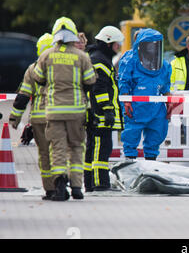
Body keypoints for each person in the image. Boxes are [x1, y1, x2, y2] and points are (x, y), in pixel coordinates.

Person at [31, 16, 97, 201]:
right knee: (76, 147)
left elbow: (37, 78)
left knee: (57, 148)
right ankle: (76, 187)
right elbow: (91, 81)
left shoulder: (46, 55)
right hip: (76, 111)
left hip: (53, 110)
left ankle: (60, 186)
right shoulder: (81, 56)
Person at [9, 33, 54, 200]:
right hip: (59, 118)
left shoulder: (33, 68)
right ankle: (62, 184)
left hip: (39, 119)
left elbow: (23, 97)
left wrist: (15, 119)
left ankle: (50, 189)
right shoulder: (65, 68)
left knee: (44, 155)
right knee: (60, 152)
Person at [118, 28, 173, 160]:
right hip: (135, 108)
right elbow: (124, 82)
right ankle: (130, 164)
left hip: (155, 108)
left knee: (156, 135)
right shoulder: (130, 60)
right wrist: (126, 101)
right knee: (131, 136)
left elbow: (165, 87)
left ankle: (151, 167)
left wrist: (169, 103)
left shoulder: (163, 65)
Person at [83, 26, 124, 192]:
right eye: (116, 44)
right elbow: (98, 88)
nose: (118, 47)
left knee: (93, 148)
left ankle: (90, 183)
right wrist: (107, 109)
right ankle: (100, 183)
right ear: (108, 43)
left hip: (96, 113)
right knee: (101, 148)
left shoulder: (98, 58)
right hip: (99, 115)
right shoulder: (100, 61)